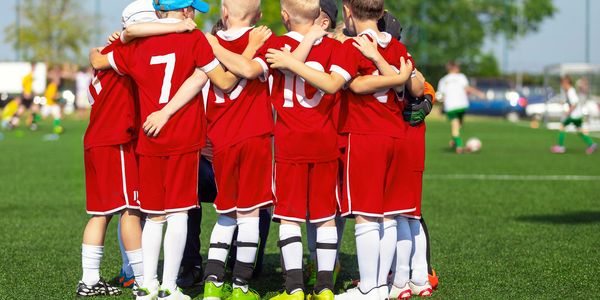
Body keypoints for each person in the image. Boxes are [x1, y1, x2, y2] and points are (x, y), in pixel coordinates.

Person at [265, 0, 423, 298]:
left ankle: (343, 286)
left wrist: (295, 57)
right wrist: (398, 76)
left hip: (352, 136)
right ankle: (388, 283)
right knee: (386, 215)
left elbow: (340, 84)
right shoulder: (394, 48)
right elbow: (417, 86)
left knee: (329, 216)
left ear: (348, 12)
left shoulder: (344, 47)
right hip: (389, 135)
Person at [89, 0, 242, 298]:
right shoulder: (194, 38)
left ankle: (147, 283)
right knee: (179, 213)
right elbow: (223, 81)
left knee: (153, 215)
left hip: (149, 137)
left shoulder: (137, 44)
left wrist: (123, 36)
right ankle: (170, 287)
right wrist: (249, 55)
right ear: (185, 11)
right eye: (193, 8)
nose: (195, 14)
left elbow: (99, 60)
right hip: (184, 137)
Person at [79, 1, 201, 297]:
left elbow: (96, 58)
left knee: (100, 213)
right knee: (132, 211)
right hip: (117, 141)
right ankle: (139, 277)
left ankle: (91, 279)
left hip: (96, 139)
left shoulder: (111, 52)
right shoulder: (131, 50)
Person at [437, 61, 485, 153]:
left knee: (457, 125)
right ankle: (458, 145)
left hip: (450, 106)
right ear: (454, 68)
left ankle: (455, 142)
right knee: (457, 125)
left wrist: (441, 105)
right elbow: (467, 88)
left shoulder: (443, 80)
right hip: (461, 104)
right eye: (458, 67)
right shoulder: (461, 77)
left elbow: (441, 96)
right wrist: (479, 93)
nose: (459, 68)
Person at [551, 76, 597, 154]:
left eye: (562, 84)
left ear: (566, 83)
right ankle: (591, 144)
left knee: (562, 126)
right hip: (578, 115)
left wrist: (568, 112)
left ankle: (561, 147)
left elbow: (574, 103)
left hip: (574, 116)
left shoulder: (570, 91)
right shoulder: (570, 91)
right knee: (579, 131)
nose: (562, 86)